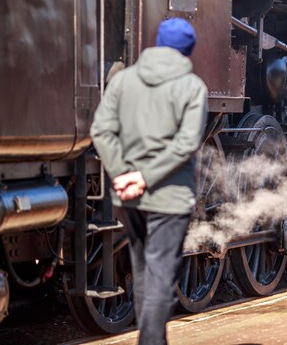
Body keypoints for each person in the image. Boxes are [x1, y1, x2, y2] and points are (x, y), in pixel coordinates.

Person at [90, 18, 207, 345]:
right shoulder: (193, 87)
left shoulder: (123, 81)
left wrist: (123, 174)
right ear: (188, 51)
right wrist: (144, 177)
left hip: (129, 199)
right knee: (158, 280)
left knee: (143, 276)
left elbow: (101, 130)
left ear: (156, 43)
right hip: (170, 199)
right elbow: (186, 144)